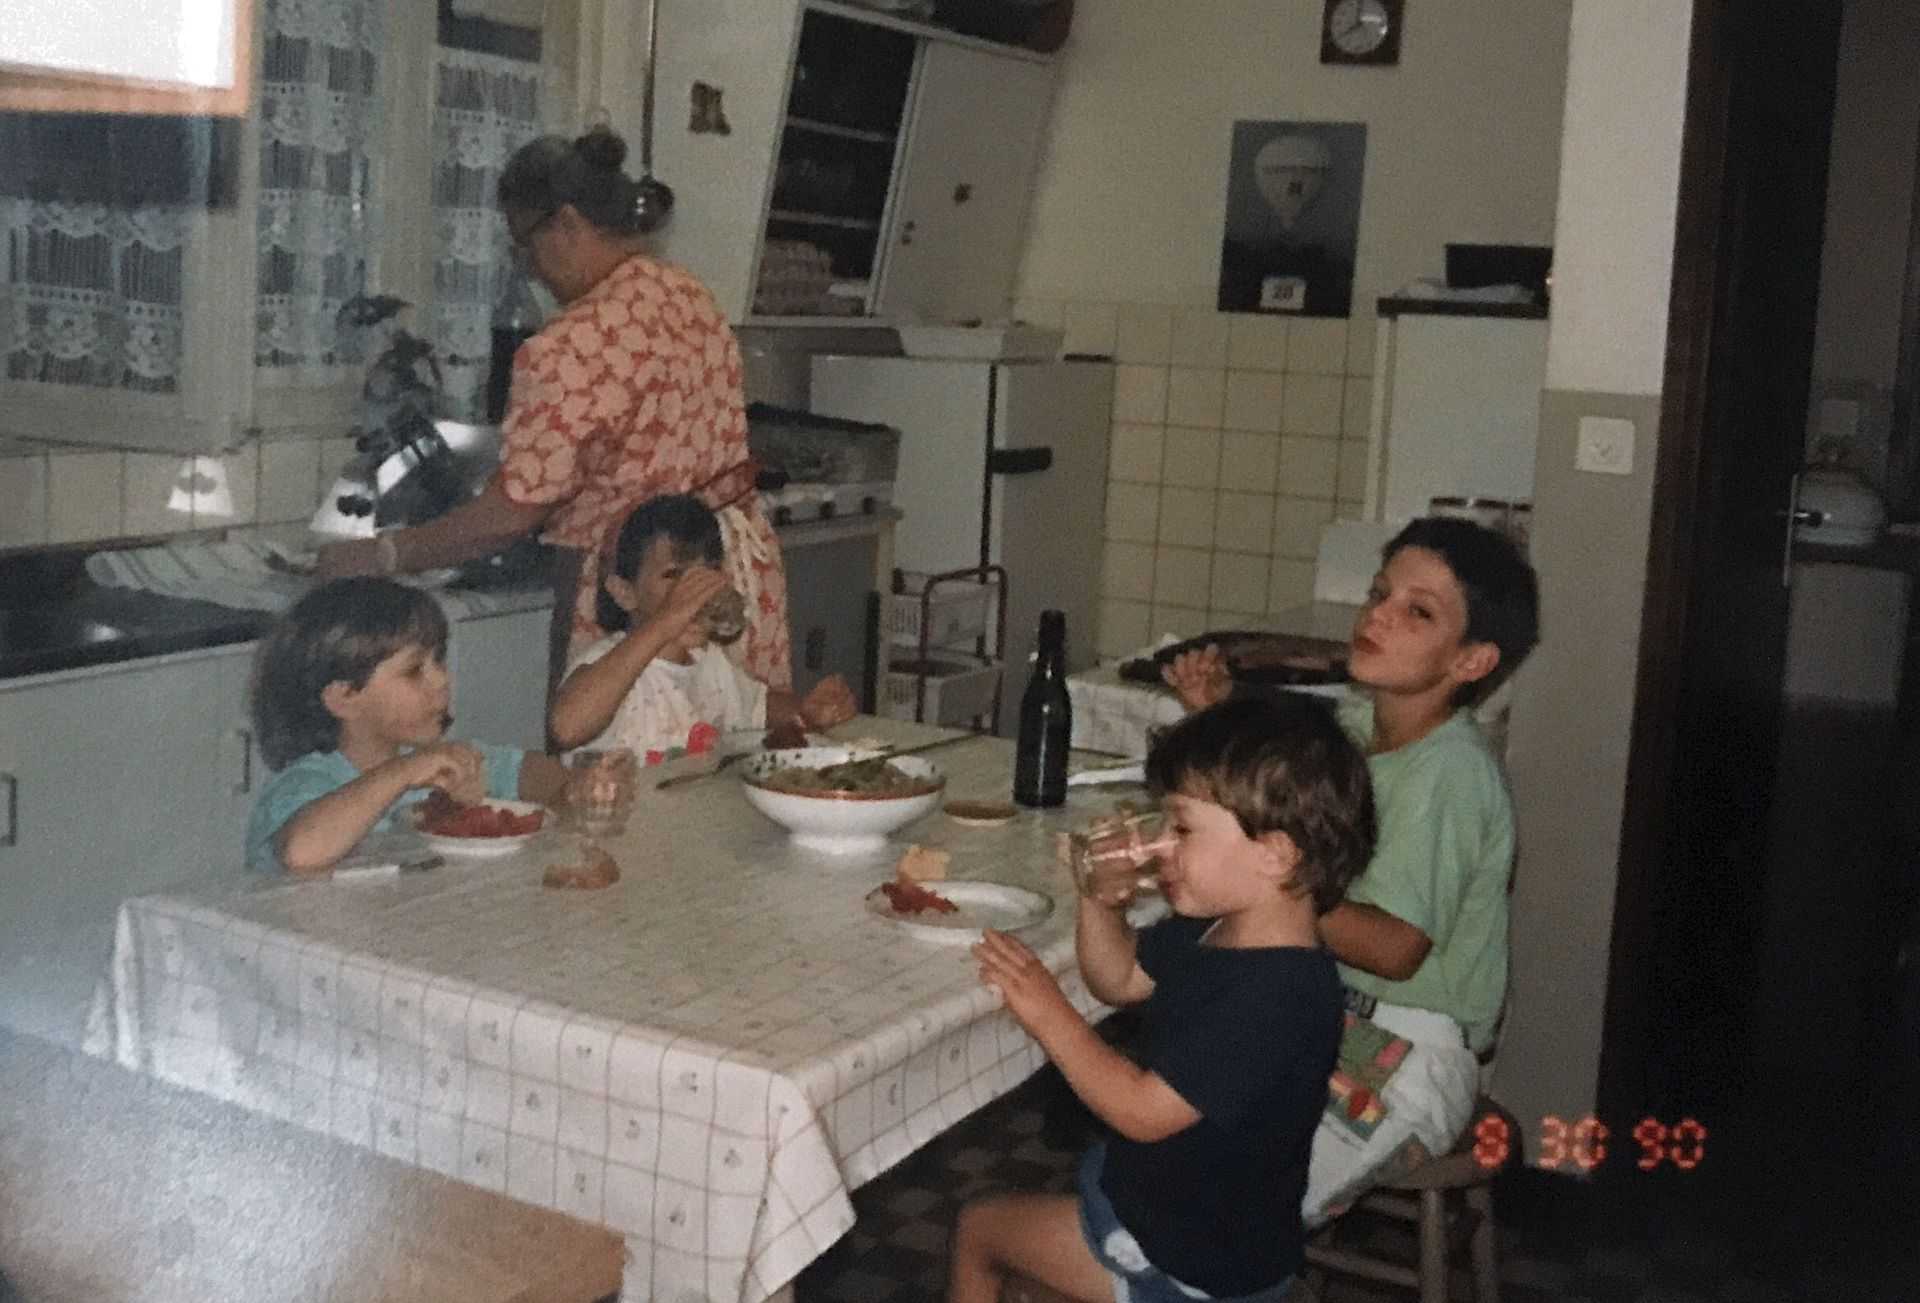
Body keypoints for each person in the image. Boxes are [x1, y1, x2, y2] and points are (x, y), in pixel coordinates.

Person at [315, 126, 793, 690]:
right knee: (730, 755)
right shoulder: (685, 292)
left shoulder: (567, 345)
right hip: (729, 566)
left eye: (527, 244)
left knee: (627, 764)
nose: (531, 268)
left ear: (566, 222)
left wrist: (387, 553)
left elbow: (515, 509)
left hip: (640, 596)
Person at [1162, 516, 1540, 1223]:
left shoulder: (1451, 774)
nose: (1379, 614)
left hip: (1409, 1054)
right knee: (1178, 1149)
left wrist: (1278, 882)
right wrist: (1220, 714)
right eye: (1379, 591)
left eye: (1417, 611)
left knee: (1224, 1210)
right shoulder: (1357, 727)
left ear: (1471, 661)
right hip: (1331, 1021)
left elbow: (1396, 949)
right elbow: (1284, 773)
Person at [949, 694, 1377, 1303]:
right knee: (1024, 1274)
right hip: (1167, 1217)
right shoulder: (1216, 926)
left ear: (1275, 853)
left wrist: (1050, 1014)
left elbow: (1141, 1112)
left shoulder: (1279, 993)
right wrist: (1099, 901)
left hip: (1194, 1263)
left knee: (982, 1229)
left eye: (1182, 828)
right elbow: (1118, 978)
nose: (1159, 847)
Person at [246, 577, 620, 874]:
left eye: (438, 662)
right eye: (414, 672)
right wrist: (403, 773)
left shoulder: (430, 761)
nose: (441, 681)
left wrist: (571, 789)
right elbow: (302, 851)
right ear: (344, 697)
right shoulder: (304, 784)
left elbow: (530, 771)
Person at [549, 493, 855, 758]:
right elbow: (567, 727)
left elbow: (760, 707)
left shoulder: (710, 663)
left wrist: (809, 710)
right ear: (625, 592)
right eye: (673, 575)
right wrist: (666, 621)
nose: (695, 591)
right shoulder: (607, 662)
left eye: (707, 572)